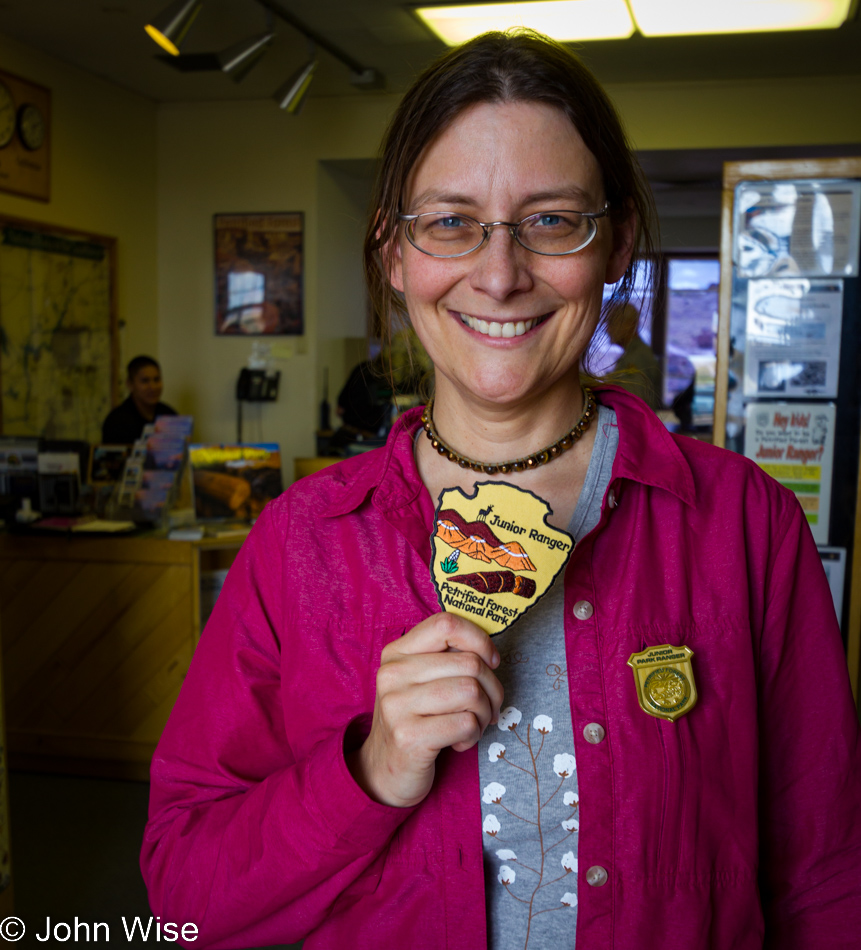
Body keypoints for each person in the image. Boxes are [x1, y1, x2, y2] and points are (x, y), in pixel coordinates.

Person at [141, 30, 861, 950]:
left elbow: (824, 875)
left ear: (616, 245)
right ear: (394, 255)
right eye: (449, 222)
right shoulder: (301, 541)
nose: (498, 273)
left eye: (551, 221)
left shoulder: (740, 523)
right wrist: (371, 769)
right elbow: (184, 902)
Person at [101, 355, 177, 444]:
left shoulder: (169, 415)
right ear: (130, 384)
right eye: (145, 381)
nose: (152, 387)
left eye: (156, 380)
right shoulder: (116, 422)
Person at [606, 302, 662, 409]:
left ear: (629, 324)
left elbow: (631, 403)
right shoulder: (632, 355)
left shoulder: (637, 358)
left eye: (612, 323)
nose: (608, 330)